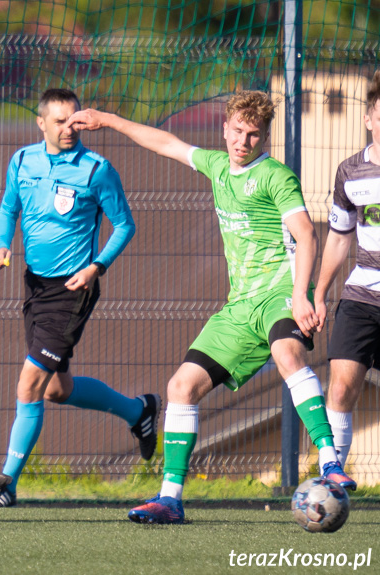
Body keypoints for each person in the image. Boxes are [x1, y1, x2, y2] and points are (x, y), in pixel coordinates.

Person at [67, 90, 356, 525]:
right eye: (237, 131)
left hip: (279, 292)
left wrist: (301, 295)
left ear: (264, 138)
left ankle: (330, 460)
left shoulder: (277, 177)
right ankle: (170, 498)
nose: (243, 141)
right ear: (224, 129)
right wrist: (108, 120)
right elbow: (165, 143)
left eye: (253, 134)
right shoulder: (218, 166)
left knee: (287, 354)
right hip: (239, 306)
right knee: (180, 388)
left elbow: (306, 235)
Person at [0, 88, 160, 508]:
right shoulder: (22, 160)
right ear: (41, 124)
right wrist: (2, 243)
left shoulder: (97, 170)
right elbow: (7, 208)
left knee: (29, 383)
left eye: (75, 119)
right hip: (34, 285)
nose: (69, 127)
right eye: (59, 121)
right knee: (56, 389)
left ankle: (6, 484)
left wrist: (96, 267)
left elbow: (124, 225)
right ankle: (138, 412)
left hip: (73, 290)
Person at [315, 71, 380, 469]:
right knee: (340, 388)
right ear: (370, 119)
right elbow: (339, 238)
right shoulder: (349, 172)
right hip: (360, 298)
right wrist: (319, 293)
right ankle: (331, 477)